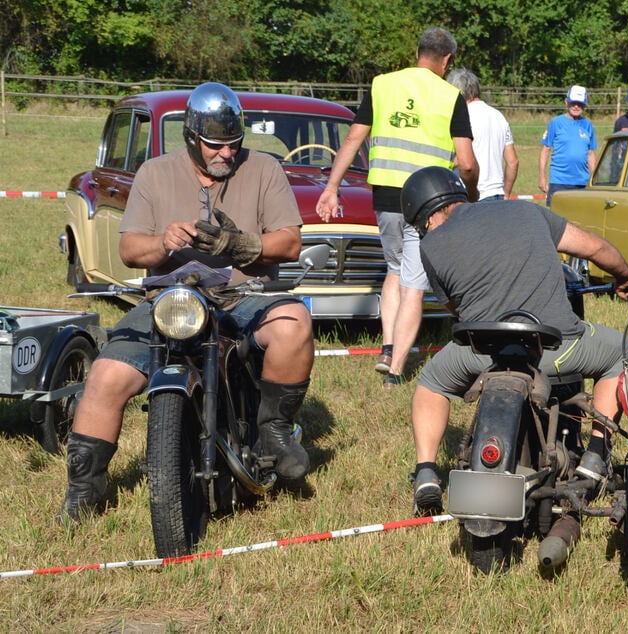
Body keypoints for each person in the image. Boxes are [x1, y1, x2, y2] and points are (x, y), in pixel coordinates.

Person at [60, 82, 315, 523]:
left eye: (233, 145)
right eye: (215, 146)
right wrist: (164, 242)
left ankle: (275, 431)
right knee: (105, 375)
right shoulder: (155, 173)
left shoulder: (265, 171)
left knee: (295, 322)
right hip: (170, 299)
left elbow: (290, 243)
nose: (226, 154)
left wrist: (239, 244)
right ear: (192, 139)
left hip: (243, 296)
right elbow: (130, 251)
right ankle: (83, 491)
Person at [400, 166, 628, 515]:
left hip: (482, 354)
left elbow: (455, 306)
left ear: (429, 214)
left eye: (422, 224)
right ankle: (596, 454)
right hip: (554, 351)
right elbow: (595, 247)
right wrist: (627, 275)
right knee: (620, 350)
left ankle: (426, 472)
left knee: (431, 383)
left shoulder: (431, 246)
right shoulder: (525, 210)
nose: (426, 230)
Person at [316, 27, 479, 388]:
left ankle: (387, 347)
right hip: (427, 202)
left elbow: (354, 137)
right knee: (414, 284)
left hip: (386, 196)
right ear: (447, 60)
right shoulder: (450, 95)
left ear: (418, 52)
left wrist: (332, 187)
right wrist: (471, 193)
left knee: (394, 268)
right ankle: (395, 371)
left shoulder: (382, 84)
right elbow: (466, 163)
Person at [446, 68, 519, 201]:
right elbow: (513, 162)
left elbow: (459, 161)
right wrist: (506, 192)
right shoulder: (499, 116)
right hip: (497, 194)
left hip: (472, 195)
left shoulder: (460, 118)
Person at [538, 85, 597, 207]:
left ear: (585, 105)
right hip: (559, 181)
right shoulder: (556, 123)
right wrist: (542, 177)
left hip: (581, 182)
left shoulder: (588, 125)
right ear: (566, 102)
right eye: (573, 103)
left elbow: (591, 154)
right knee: (557, 221)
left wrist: (595, 179)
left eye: (580, 104)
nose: (576, 106)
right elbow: (546, 150)